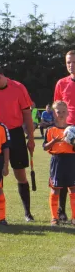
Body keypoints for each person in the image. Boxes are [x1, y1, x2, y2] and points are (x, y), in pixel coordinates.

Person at [0, 63, 35, 222]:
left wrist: (31, 138)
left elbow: (27, 115)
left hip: (15, 134)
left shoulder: (18, 88)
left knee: (20, 174)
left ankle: (27, 213)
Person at [42, 101, 75, 226]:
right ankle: (54, 217)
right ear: (54, 114)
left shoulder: (72, 129)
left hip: (71, 160)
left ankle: (74, 218)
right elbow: (45, 147)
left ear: (67, 113)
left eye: (63, 112)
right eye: (58, 112)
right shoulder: (51, 130)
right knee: (55, 189)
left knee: (73, 188)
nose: (61, 114)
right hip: (57, 161)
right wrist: (53, 142)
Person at [53, 50, 75, 221]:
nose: (71, 65)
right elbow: (57, 108)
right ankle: (61, 210)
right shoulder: (61, 83)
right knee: (63, 174)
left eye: (73, 62)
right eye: (68, 62)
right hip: (66, 133)